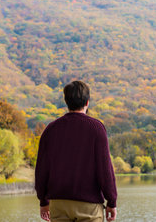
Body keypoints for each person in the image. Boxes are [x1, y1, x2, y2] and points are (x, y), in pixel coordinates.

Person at [35, 80, 117, 221]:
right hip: (89, 206)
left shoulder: (51, 129)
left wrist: (43, 200)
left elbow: (42, 169)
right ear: (87, 102)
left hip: (59, 204)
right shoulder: (96, 128)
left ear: (66, 101)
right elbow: (105, 169)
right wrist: (111, 201)